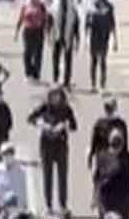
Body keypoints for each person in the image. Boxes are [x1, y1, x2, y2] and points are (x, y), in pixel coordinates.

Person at [27, 85, 77, 216]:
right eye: (53, 95)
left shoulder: (66, 109)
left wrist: (64, 125)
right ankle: (48, 205)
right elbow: (30, 118)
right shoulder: (44, 107)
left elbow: (74, 126)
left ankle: (63, 205)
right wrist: (42, 125)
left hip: (61, 145)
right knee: (47, 175)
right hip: (46, 145)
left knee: (62, 176)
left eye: (58, 95)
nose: (55, 98)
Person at [92, 129, 129, 219]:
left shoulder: (101, 157)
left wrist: (94, 198)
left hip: (106, 199)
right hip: (124, 199)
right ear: (123, 143)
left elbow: (97, 180)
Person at [85, 0, 118, 91]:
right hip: (95, 39)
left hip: (103, 39)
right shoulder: (92, 11)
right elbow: (87, 26)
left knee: (102, 62)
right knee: (95, 62)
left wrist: (115, 41)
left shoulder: (108, 11)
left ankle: (102, 83)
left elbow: (113, 24)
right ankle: (94, 84)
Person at [48, 0, 80, 89]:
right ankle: (55, 79)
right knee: (55, 59)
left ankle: (67, 81)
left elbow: (76, 25)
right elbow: (49, 22)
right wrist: (48, 35)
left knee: (68, 60)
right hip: (56, 36)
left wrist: (77, 39)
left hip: (68, 37)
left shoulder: (72, 9)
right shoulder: (54, 8)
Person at [13, 0, 47, 81]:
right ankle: (28, 73)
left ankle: (36, 74)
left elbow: (45, 19)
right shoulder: (25, 6)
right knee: (27, 52)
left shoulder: (42, 6)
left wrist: (46, 31)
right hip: (28, 31)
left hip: (38, 31)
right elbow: (20, 18)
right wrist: (16, 31)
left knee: (38, 54)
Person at [88, 96, 129, 170]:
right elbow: (125, 144)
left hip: (102, 157)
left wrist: (91, 155)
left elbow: (94, 142)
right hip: (116, 158)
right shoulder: (120, 123)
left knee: (102, 179)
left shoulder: (99, 123)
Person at [0, 142, 27, 212]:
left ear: (13, 155)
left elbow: (23, 192)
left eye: (10, 153)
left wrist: (23, 207)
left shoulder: (21, 171)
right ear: (1, 155)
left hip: (14, 208)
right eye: (5, 154)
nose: (7, 156)